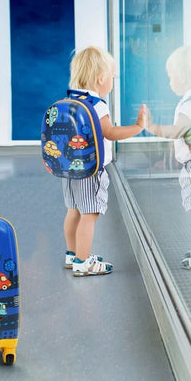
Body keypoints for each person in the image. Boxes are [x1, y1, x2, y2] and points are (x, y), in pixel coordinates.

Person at [63, 46, 146, 276]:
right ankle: (83, 262)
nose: (113, 81)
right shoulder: (97, 105)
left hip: (70, 169)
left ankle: (73, 254)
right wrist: (138, 127)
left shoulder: (71, 99)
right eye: (112, 77)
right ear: (101, 78)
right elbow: (110, 132)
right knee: (89, 214)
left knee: (74, 211)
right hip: (91, 170)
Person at [146, 45, 191, 270]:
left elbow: (177, 130)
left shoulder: (189, 104)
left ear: (181, 77)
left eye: (170, 76)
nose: (169, 81)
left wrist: (152, 127)